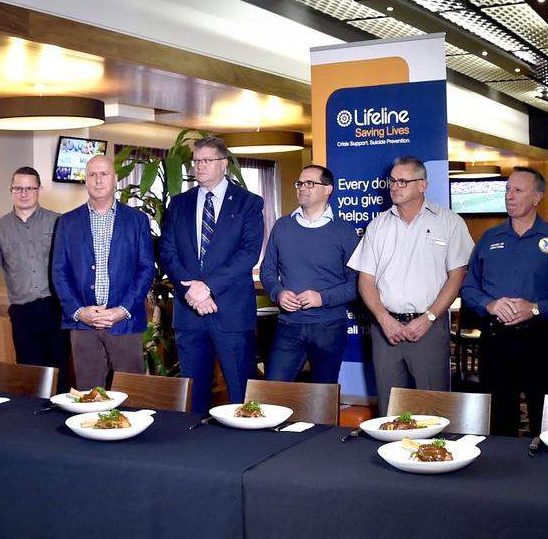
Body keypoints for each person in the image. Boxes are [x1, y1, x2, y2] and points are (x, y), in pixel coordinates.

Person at [461, 166, 548, 436]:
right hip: (496, 340)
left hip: (542, 341)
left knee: (546, 420)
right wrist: (490, 304)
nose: (509, 196)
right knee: (499, 420)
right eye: (507, 190)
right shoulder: (489, 239)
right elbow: (469, 287)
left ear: (537, 197)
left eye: (518, 190)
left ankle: (547, 475)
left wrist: (535, 308)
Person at [348, 156, 473, 401]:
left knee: (433, 408)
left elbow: (457, 277)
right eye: (392, 181)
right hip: (386, 330)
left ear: (422, 185)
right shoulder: (377, 226)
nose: (394, 187)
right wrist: (384, 319)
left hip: (429, 327)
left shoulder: (450, 223)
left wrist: (428, 318)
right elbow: (365, 280)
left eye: (403, 182)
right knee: (390, 408)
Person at [159, 136, 264, 412]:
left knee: (242, 396)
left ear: (223, 164)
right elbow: (168, 252)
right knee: (194, 397)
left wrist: (207, 287)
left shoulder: (248, 203)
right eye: (196, 161)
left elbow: (249, 253)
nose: (199, 167)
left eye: (206, 161)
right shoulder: (179, 204)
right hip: (189, 312)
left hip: (231, 313)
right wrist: (191, 291)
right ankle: (195, 449)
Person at [52, 155, 155, 391]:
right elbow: (59, 272)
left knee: (133, 394)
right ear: (85, 180)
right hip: (83, 324)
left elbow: (146, 268)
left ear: (115, 179)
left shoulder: (137, 220)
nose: (98, 180)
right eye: (92, 175)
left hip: (125, 323)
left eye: (104, 174)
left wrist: (123, 310)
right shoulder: (67, 222)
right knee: (89, 396)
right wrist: (79, 311)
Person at [260, 164, 360, 383]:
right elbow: (267, 271)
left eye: (309, 183)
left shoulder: (345, 231)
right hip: (288, 326)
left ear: (328, 190)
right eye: (299, 183)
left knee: (322, 397)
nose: (302, 188)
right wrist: (278, 293)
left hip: (329, 328)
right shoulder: (282, 226)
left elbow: (357, 284)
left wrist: (322, 298)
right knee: (272, 392)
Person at [0, 167, 67, 383]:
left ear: (39, 190)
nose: (24, 193)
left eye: (29, 188)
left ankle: (60, 416)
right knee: (30, 375)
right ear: (11, 190)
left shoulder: (59, 222)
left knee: (60, 371)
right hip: (23, 313)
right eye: (18, 188)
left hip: (56, 309)